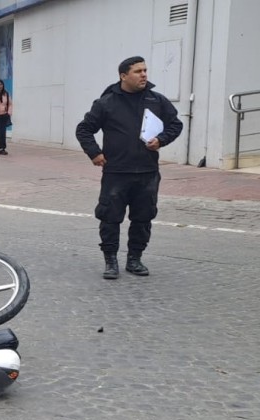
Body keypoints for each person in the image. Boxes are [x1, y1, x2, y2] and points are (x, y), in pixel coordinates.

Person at [75, 56, 183, 279]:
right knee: (110, 218)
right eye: (137, 71)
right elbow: (84, 129)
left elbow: (175, 124)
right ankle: (110, 261)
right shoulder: (106, 103)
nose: (143, 74)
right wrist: (94, 152)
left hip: (147, 172)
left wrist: (161, 140)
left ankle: (135, 259)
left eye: (145, 70)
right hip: (116, 172)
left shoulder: (156, 100)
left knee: (143, 218)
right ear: (123, 76)